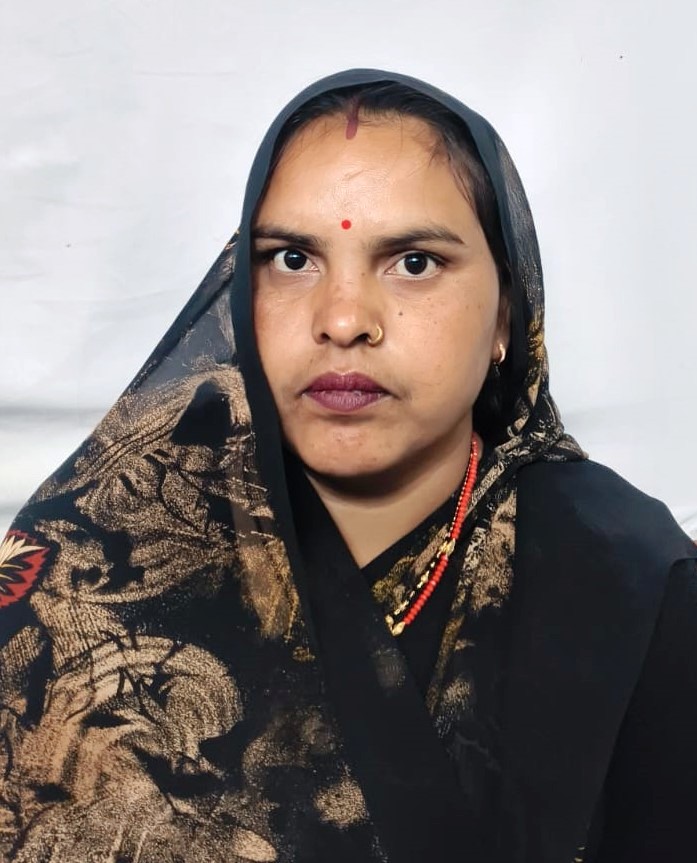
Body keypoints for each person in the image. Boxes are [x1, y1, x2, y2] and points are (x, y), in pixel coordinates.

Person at [0, 69, 695, 863]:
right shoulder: (93, 563)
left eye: (413, 262)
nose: (341, 319)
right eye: (292, 258)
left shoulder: (630, 587)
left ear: (507, 311)